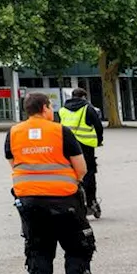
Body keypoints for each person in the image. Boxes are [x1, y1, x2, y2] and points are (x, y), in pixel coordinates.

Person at [6, 92, 95, 274]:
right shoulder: (61, 131)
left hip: (30, 203)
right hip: (65, 201)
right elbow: (81, 168)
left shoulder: (13, 133)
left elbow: (14, 164)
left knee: (39, 252)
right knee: (78, 249)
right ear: (45, 107)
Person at [58, 88, 104, 219]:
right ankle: (91, 202)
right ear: (84, 96)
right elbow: (98, 126)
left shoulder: (63, 110)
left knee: (71, 173)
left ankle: (73, 202)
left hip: (67, 146)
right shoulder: (88, 108)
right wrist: (99, 140)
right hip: (86, 145)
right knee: (89, 173)